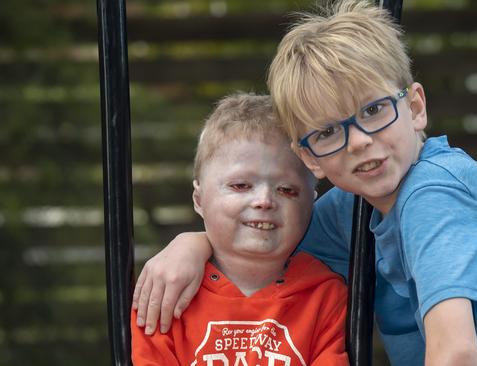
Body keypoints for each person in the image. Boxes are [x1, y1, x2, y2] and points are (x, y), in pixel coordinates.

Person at [133, 1, 477, 365]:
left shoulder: (435, 194)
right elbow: (257, 241)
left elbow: (455, 353)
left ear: (416, 106)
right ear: (310, 159)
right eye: (327, 132)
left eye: (374, 110)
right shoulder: (354, 207)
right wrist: (191, 243)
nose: (358, 142)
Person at [130, 93, 349, 366]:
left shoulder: (324, 294)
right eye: (241, 185)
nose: (265, 201)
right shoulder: (168, 290)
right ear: (199, 199)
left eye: (287, 190)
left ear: (310, 205)